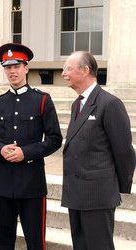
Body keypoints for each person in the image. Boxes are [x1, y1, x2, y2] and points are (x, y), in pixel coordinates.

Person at [0, 43, 62, 250]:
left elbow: (54, 139)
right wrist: (0, 150)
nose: (12, 71)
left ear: (26, 68)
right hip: (3, 183)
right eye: (8, 67)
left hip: (32, 183)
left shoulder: (42, 100)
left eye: (16, 66)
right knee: (4, 241)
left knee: (35, 241)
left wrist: (25, 153)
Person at [61, 51, 136, 250]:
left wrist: (116, 187)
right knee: (81, 246)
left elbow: (124, 152)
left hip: (97, 194)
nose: (63, 73)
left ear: (85, 70)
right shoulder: (77, 104)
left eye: (68, 68)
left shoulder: (109, 104)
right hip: (76, 192)